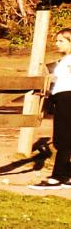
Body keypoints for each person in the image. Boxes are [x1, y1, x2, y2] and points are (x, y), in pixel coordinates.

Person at [39, 28, 71, 188]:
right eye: (57, 40)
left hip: (67, 97)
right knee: (63, 137)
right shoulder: (64, 59)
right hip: (60, 97)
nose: (57, 44)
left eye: (61, 41)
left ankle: (57, 176)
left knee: (63, 137)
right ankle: (66, 175)